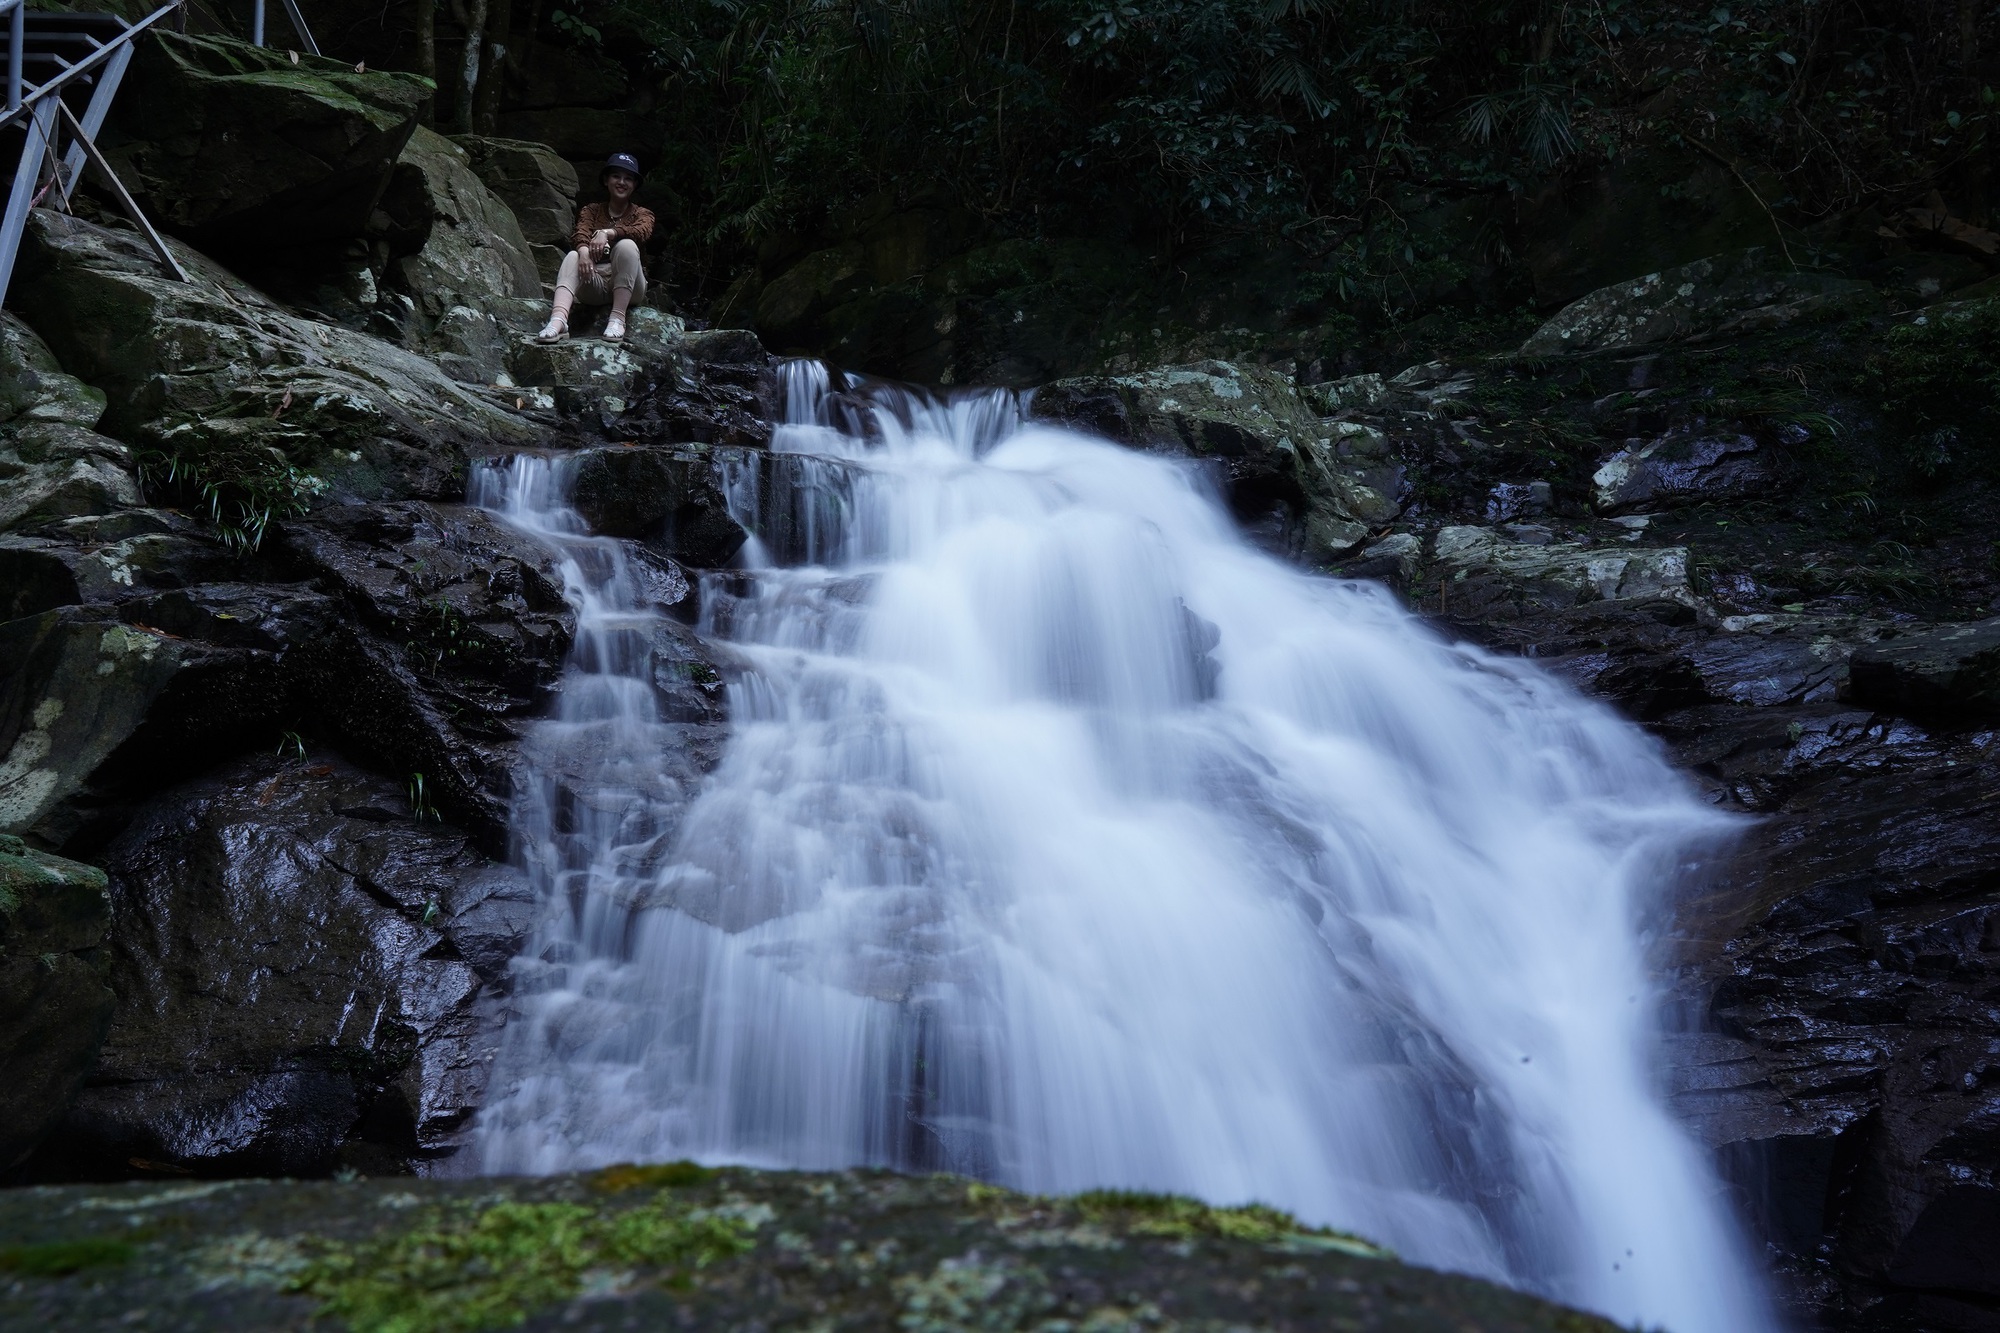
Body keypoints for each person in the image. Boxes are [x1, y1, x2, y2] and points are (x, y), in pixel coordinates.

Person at [537, 152, 656, 342]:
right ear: (606, 180)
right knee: (573, 256)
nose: (622, 182)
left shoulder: (643, 214)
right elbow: (580, 232)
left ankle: (618, 318)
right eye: (616, 176)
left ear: (634, 185)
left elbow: (642, 231)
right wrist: (584, 252)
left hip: (630, 286)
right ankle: (558, 320)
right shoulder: (591, 210)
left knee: (626, 245)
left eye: (628, 178)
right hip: (595, 284)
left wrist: (608, 233)